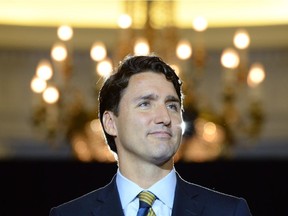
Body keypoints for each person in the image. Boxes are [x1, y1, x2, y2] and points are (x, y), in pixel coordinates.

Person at [49, 54, 252, 216]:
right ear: (110, 123)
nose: (164, 117)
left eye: (172, 105)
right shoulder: (70, 214)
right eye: (145, 104)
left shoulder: (229, 212)